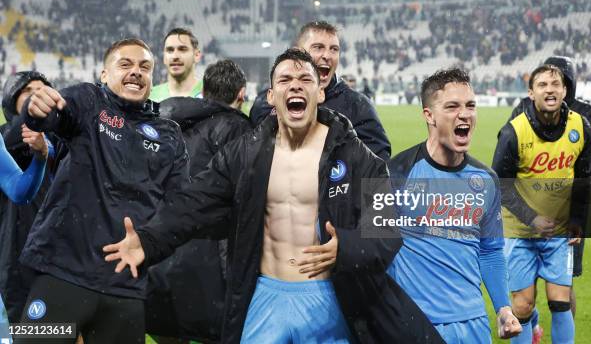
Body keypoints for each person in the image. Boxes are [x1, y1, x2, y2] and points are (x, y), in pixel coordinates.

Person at [104, 48, 444, 344]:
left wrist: (348, 247)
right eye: (284, 80)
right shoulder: (244, 154)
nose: (295, 85)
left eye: (305, 79)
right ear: (270, 96)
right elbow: (192, 203)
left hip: (329, 296)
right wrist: (148, 241)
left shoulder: (357, 157)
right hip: (265, 294)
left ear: (320, 93)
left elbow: (386, 229)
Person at [16, 38, 189, 344]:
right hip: (61, 272)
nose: (136, 71)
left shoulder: (169, 134)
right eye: (125, 64)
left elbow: (179, 210)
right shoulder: (88, 99)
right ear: (104, 74)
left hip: (125, 286)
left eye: (144, 67)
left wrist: (150, 245)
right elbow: (53, 114)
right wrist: (35, 111)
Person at [387, 67, 522, 343]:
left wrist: (503, 309)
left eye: (470, 105)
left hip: (473, 326)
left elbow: (491, 252)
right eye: (452, 106)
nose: (465, 114)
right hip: (416, 325)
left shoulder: (486, 180)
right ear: (429, 115)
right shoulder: (397, 173)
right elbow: (377, 254)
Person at [147, 59, 252, 343]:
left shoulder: (164, 126)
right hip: (208, 268)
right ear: (241, 94)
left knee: (164, 329)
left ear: (203, 92)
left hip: (159, 257)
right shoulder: (239, 132)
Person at [507, 55, 591, 340]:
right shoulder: (524, 110)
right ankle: (531, 320)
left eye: (559, 81)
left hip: (569, 213)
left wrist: (577, 158)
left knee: (562, 292)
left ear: (567, 85)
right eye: (545, 83)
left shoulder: (588, 117)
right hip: (527, 213)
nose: (552, 89)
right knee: (523, 295)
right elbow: (510, 153)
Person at [249, 21, 391, 161]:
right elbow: (251, 156)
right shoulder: (266, 103)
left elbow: (378, 164)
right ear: (298, 52)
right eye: (318, 47)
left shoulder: (357, 105)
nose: (327, 56)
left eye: (334, 49)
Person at [0, 71, 62, 323]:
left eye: (43, 89)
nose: (37, 94)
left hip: (57, 241)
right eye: (28, 91)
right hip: (14, 243)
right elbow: (15, 137)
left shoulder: (60, 137)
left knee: (60, 328)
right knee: (19, 324)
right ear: (11, 100)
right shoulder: (8, 134)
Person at [149, 28, 203, 102]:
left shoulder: (213, 94)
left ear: (196, 55)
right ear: (164, 57)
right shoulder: (150, 96)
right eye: (170, 50)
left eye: (182, 49)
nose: (175, 56)